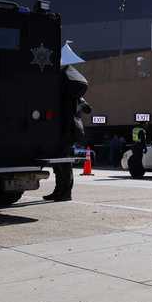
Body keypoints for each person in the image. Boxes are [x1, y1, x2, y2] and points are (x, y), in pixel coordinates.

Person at [44, 64, 88, 202]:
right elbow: (88, 109)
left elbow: (87, 109)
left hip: (66, 131)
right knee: (60, 163)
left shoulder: (70, 96)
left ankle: (65, 192)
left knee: (63, 163)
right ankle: (59, 191)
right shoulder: (74, 96)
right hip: (67, 130)